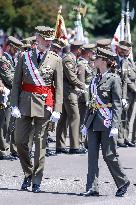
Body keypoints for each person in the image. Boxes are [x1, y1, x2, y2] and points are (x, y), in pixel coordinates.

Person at [10, 26, 63, 193]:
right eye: (45, 39)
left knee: (40, 144)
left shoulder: (56, 59)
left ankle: (36, 180)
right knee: (19, 141)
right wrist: (14, 105)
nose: (47, 43)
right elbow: (16, 84)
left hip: (45, 106)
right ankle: (28, 172)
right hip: (24, 104)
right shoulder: (24, 57)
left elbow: (59, 88)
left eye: (49, 40)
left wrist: (57, 109)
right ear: (37, 38)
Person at [81, 47, 130, 197]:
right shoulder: (95, 78)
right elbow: (92, 103)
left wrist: (115, 125)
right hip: (93, 121)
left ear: (103, 61)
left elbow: (116, 104)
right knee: (92, 155)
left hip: (107, 122)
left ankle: (122, 181)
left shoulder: (114, 79)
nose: (93, 60)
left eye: (96, 59)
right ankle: (92, 187)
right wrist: (85, 123)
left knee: (109, 154)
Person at [56, 40, 87, 154]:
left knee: (63, 118)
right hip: (69, 92)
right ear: (78, 49)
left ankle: (60, 145)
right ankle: (74, 146)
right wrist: (84, 86)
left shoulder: (71, 58)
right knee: (75, 117)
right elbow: (72, 78)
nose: (81, 52)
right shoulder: (68, 59)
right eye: (81, 50)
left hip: (67, 91)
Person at [0, 36, 23, 160]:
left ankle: (13, 149)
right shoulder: (3, 60)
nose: (17, 51)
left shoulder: (13, 60)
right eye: (15, 48)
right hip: (5, 95)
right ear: (9, 46)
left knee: (13, 123)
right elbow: (9, 79)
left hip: (13, 95)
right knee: (4, 123)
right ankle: (3, 150)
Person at [116, 41, 136, 147]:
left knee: (128, 117)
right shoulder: (117, 61)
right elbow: (125, 79)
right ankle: (120, 138)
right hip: (124, 92)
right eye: (124, 50)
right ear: (120, 50)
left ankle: (126, 137)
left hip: (131, 93)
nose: (126, 52)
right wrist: (134, 88)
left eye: (127, 50)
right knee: (122, 117)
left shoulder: (130, 61)